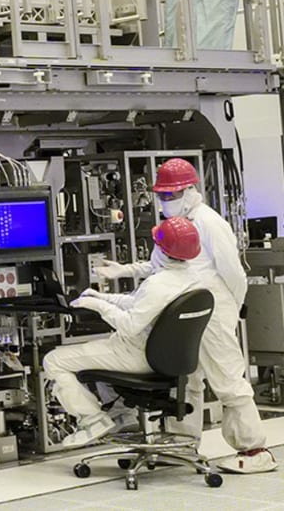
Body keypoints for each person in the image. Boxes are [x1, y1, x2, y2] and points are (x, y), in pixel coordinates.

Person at [93, 158, 275, 473]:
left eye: (171, 194)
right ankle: (182, 444)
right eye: (161, 195)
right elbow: (162, 263)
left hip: (212, 309)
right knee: (185, 378)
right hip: (181, 310)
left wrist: (229, 309)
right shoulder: (173, 225)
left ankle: (255, 449)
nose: (165, 201)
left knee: (227, 378)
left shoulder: (208, 221)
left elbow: (234, 273)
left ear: (190, 191)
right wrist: (125, 269)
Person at [44, 217, 206, 449]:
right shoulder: (192, 278)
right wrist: (104, 297)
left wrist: (98, 306)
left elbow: (130, 325)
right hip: (170, 359)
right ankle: (123, 419)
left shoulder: (158, 283)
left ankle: (93, 420)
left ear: (160, 251)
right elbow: (139, 303)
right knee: (97, 359)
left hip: (138, 356)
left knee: (54, 361)